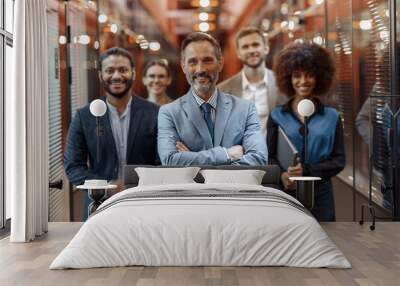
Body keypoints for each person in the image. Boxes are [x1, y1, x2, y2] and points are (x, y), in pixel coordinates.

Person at [64, 47, 159, 220]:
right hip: (100, 206)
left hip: (144, 203)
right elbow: (73, 166)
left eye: (123, 70)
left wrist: (138, 184)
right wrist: (105, 186)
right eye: (110, 70)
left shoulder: (155, 113)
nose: (116, 76)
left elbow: (162, 163)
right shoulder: (84, 116)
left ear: (133, 73)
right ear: (100, 75)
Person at [157, 32, 267, 166]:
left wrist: (190, 159)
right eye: (192, 62)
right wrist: (227, 154)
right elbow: (170, 160)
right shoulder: (169, 113)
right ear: (183, 67)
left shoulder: (246, 109)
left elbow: (259, 159)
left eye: (207, 60)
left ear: (220, 64)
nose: (200, 69)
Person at [267, 42, 345, 221]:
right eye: (297, 75)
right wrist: (282, 175)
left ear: (319, 78)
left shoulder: (332, 116)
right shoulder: (277, 115)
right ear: (288, 78)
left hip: (321, 194)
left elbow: (339, 160)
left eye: (310, 75)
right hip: (287, 192)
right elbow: (269, 156)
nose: (303, 81)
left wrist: (307, 171)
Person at [218, 26, 287, 136]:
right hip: (239, 152)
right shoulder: (223, 90)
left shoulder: (283, 84)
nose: (251, 50)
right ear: (239, 53)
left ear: (266, 48)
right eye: (245, 47)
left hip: (274, 152)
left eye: (255, 45)